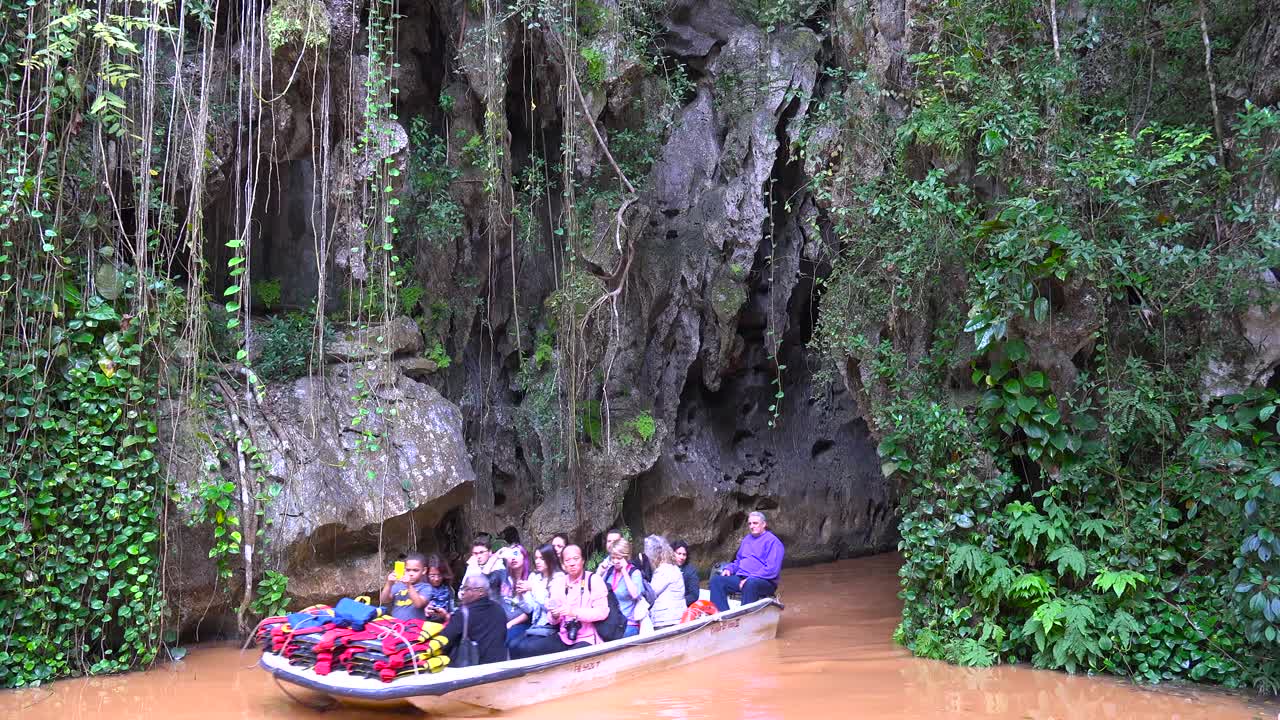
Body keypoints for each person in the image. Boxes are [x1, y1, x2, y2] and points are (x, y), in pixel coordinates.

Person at [516, 545, 610, 657]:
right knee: (525, 649)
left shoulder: (593, 580)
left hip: (587, 638)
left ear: (583, 560)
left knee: (571, 658)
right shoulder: (559, 583)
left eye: (576, 559)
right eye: (567, 560)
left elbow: (602, 612)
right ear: (563, 564)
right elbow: (552, 615)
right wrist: (555, 615)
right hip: (564, 636)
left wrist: (574, 612)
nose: (572, 563)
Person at [710, 511, 784, 612]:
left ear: (764, 524)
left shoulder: (773, 542)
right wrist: (730, 569)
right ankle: (724, 616)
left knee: (750, 584)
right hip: (742, 578)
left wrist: (750, 578)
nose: (752, 526)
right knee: (716, 581)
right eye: (750, 523)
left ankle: (744, 617)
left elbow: (771, 570)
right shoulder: (746, 540)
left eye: (755, 523)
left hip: (764, 582)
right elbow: (739, 561)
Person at [510, 544, 565, 659]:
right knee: (513, 645)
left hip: (551, 625)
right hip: (535, 625)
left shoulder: (559, 578)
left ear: (550, 559)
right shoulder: (535, 577)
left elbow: (551, 605)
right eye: (536, 558)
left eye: (542, 558)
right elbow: (530, 608)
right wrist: (521, 597)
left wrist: (533, 588)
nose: (538, 561)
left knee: (524, 647)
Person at [439, 574, 509, 665]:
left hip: (475, 667)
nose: (462, 593)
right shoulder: (498, 608)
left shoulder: (464, 614)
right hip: (499, 664)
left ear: (480, 592)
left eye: (466, 589)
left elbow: (443, 641)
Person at [601, 538, 645, 637]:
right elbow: (597, 588)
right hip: (611, 623)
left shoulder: (634, 573)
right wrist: (601, 570)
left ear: (626, 557)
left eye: (619, 558)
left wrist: (624, 571)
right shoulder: (610, 571)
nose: (615, 561)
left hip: (628, 624)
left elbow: (635, 594)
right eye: (613, 557)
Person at [643, 535, 686, 630]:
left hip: (666, 620)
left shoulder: (663, 570)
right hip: (677, 617)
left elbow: (651, 593)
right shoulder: (674, 568)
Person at [497, 544, 533, 648]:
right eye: (510, 555)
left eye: (516, 554)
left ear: (524, 557)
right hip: (502, 621)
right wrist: (496, 556)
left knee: (506, 639)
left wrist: (510, 624)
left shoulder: (531, 578)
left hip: (522, 623)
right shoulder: (503, 576)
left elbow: (530, 612)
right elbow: (484, 577)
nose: (513, 558)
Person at [379, 552, 431, 621]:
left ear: (424, 570)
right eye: (408, 570)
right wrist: (389, 583)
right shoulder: (398, 585)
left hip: (416, 627)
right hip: (396, 625)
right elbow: (384, 600)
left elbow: (419, 604)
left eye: (415, 570)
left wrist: (409, 586)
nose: (411, 573)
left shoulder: (426, 587)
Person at [462, 536, 508, 600]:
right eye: (475, 553)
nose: (478, 556)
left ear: (490, 552)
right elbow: (461, 593)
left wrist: (493, 559)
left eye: (481, 552)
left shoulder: (498, 566)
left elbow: (482, 587)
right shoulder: (472, 566)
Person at [424, 554, 456, 621]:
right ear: (426, 573)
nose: (436, 579)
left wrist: (445, 615)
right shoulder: (421, 589)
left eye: (440, 575)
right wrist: (425, 612)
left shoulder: (449, 590)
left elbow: (452, 614)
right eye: (432, 575)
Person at [672, 540, 700, 607]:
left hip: (682, 605)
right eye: (679, 554)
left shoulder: (690, 571)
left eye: (684, 554)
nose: (682, 557)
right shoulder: (665, 567)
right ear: (672, 553)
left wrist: (677, 603)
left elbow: (694, 595)